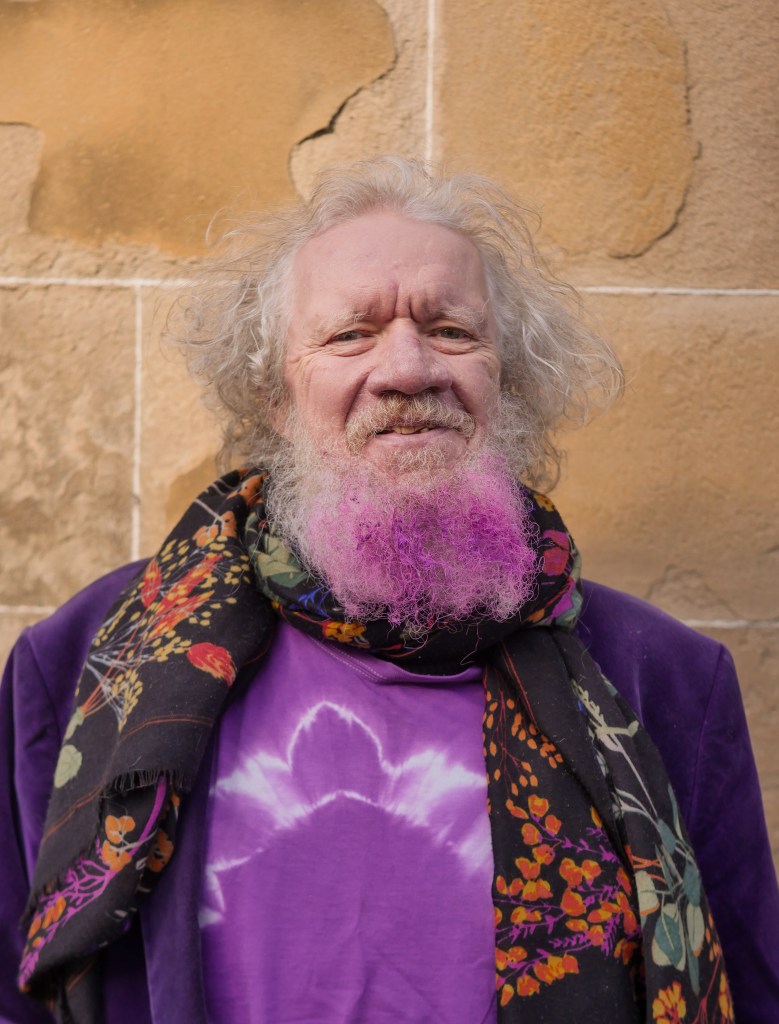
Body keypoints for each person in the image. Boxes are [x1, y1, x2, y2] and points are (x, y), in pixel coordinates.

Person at [1, 156, 777, 1024]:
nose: (407, 370)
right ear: (272, 398)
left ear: (506, 382)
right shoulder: (86, 659)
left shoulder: (666, 679)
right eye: (348, 335)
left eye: (450, 331)